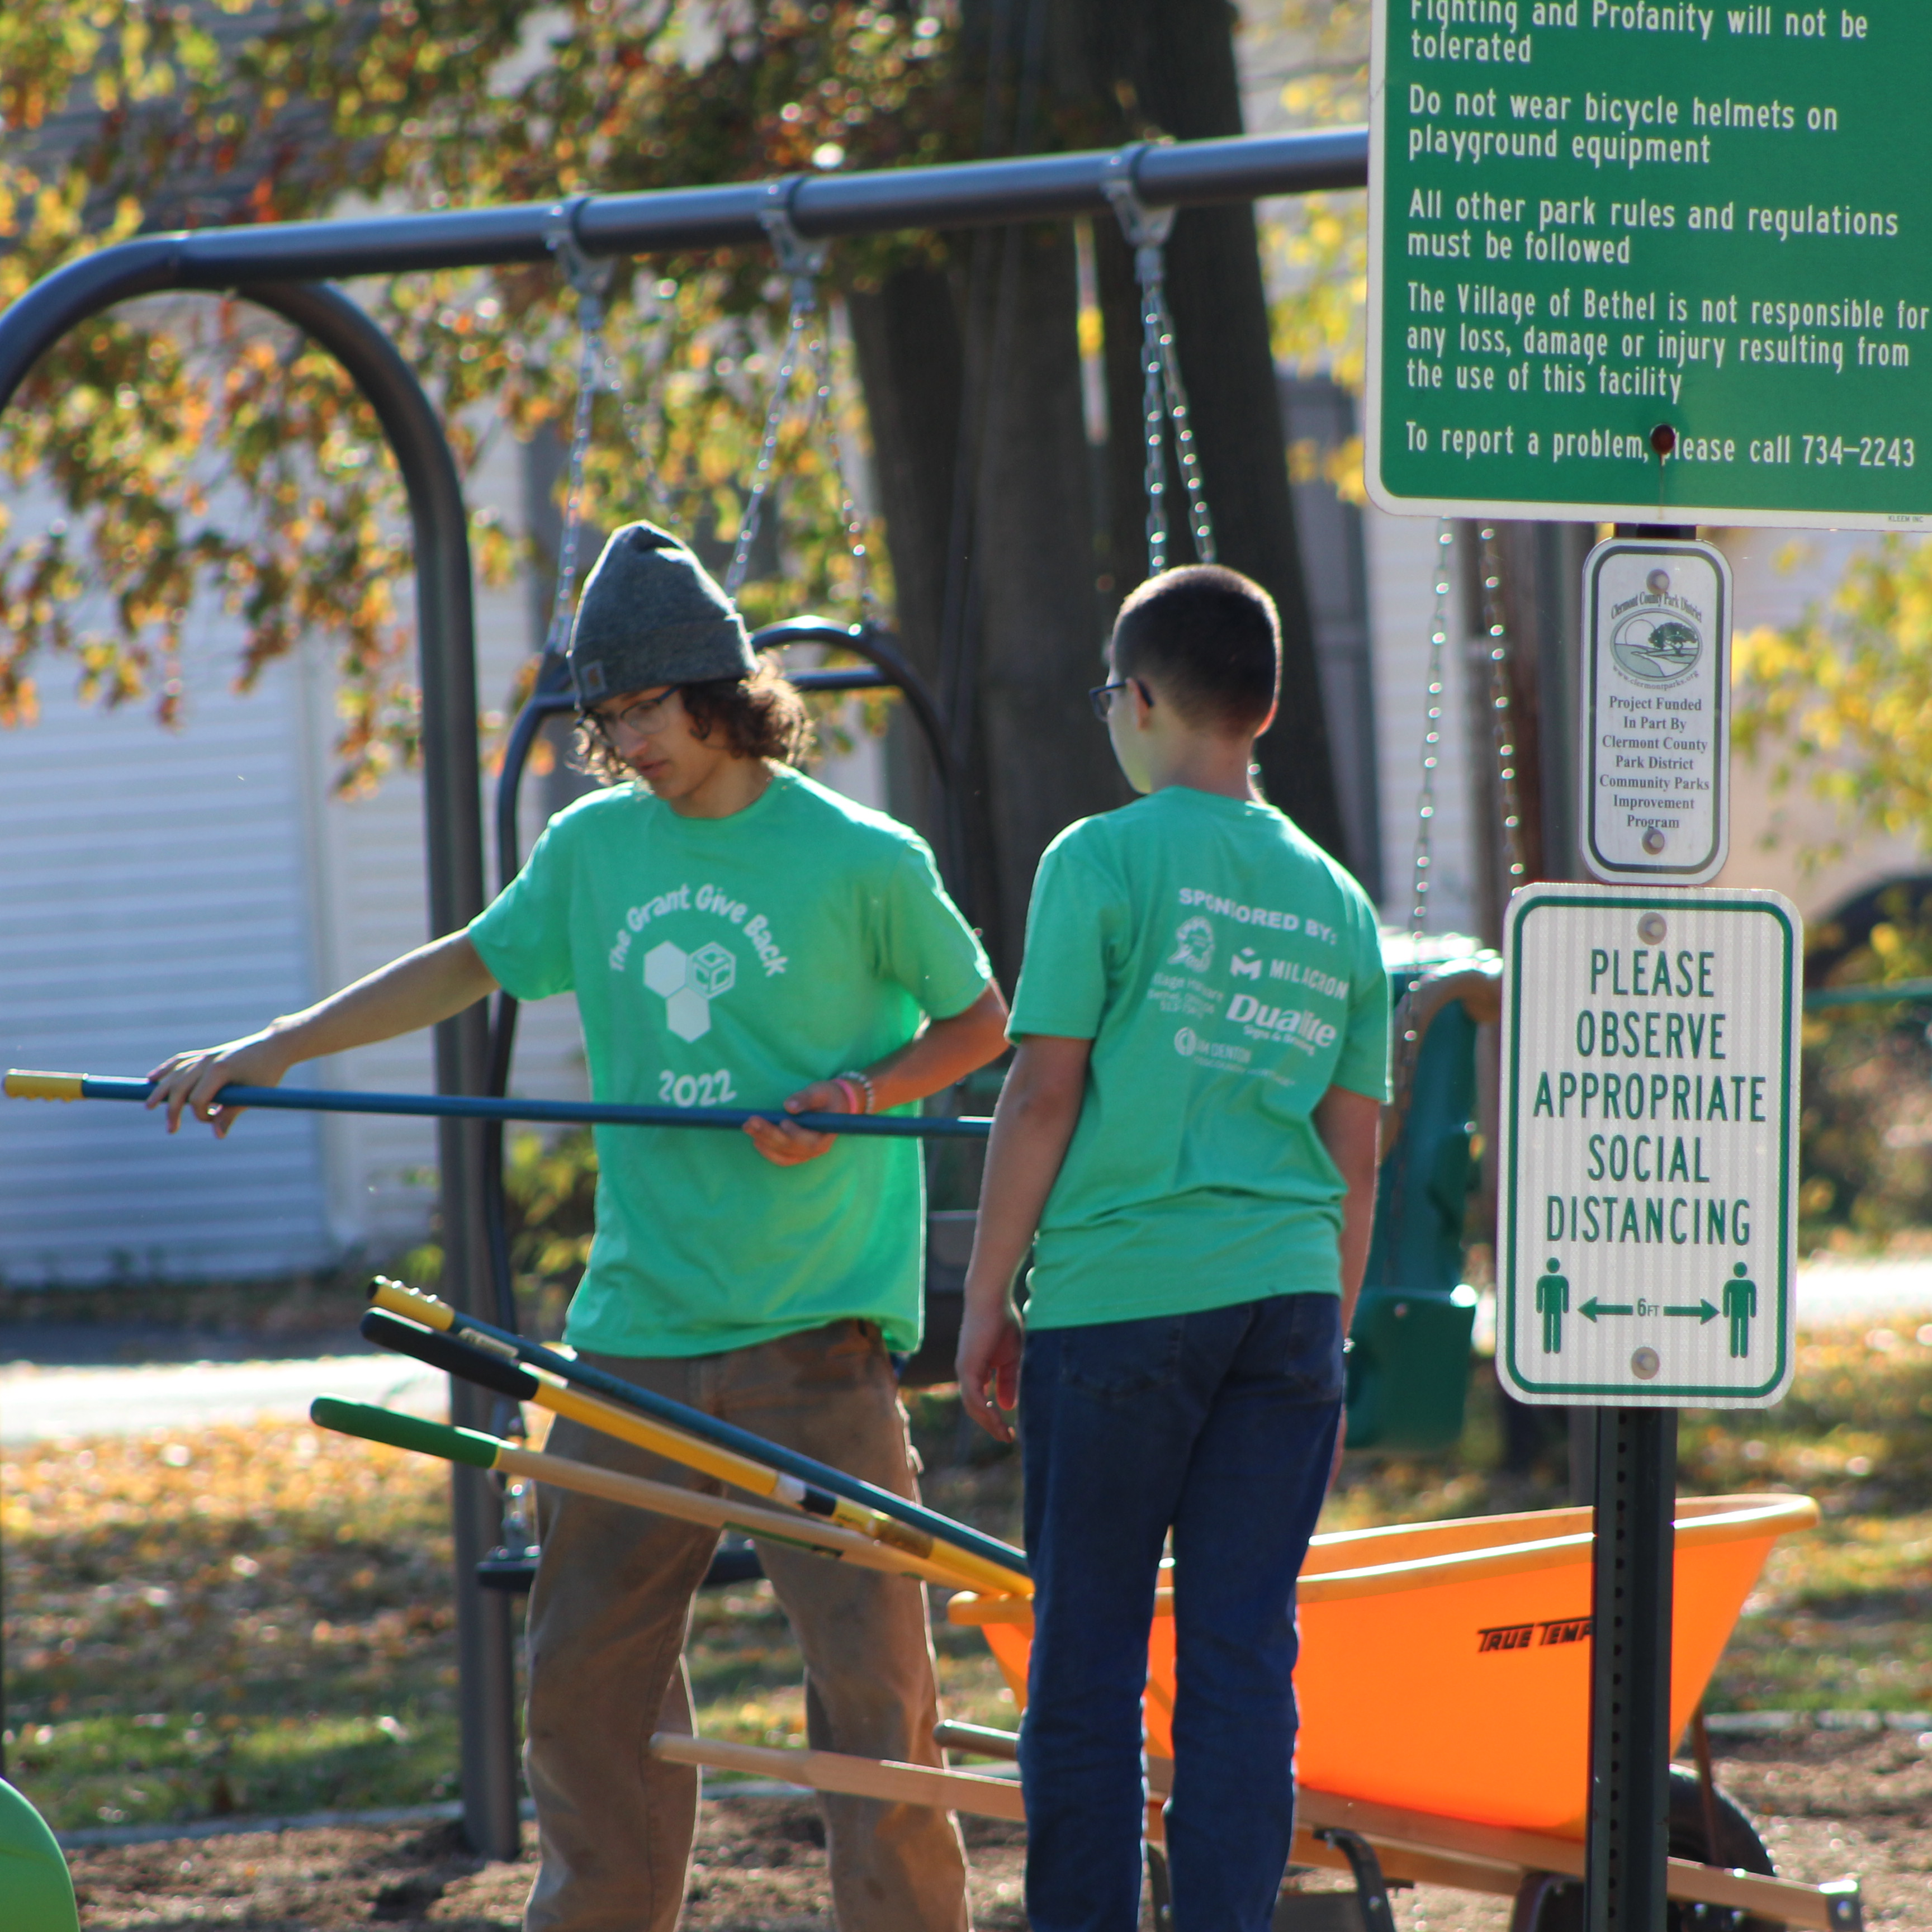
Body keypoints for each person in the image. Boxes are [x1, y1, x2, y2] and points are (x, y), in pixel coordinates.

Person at [149, 521, 1009, 1932]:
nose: (630, 738)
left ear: (725, 694)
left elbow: (979, 1019)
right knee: (587, 1708)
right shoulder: (595, 850)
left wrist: (862, 1092)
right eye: (607, 715)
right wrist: (282, 1044)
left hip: (821, 1350)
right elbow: (463, 965)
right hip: (632, 1350)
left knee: (881, 1720)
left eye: (650, 707)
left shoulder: (863, 858)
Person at [954, 565, 1388, 1932]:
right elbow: (1355, 1157)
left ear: (1140, 701)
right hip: (1286, 1315)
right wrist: (1332, 1332)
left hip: (1120, 1306)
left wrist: (985, 1298)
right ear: (1260, 710)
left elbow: (1041, 1095)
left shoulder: (1100, 857)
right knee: (1243, 1663)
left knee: (1083, 1666)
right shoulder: (1339, 903)